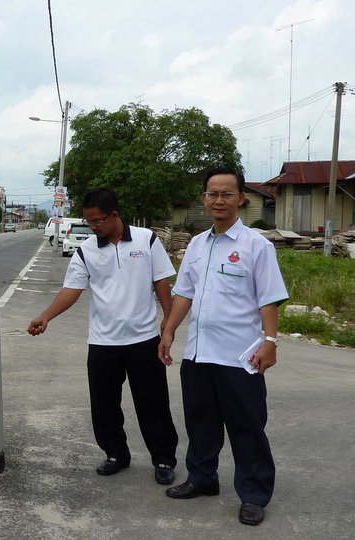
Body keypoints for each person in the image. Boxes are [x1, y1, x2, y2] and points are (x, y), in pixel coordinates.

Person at [158, 167, 289, 526]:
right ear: (204, 198)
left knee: (247, 426)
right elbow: (185, 293)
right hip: (199, 354)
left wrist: (271, 342)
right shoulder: (197, 245)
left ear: (241, 199)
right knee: (201, 423)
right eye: (212, 193)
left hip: (238, 356)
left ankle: (254, 494)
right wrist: (169, 331)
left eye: (227, 194)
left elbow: (270, 299)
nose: (218, 200)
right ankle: (202, 478)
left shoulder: (256, 246)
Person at [28, 187, 179, 484]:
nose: (93, 227)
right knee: (104, 404)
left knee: (153, 403)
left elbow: (161, 282)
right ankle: (115, 454)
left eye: (97, 221)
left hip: (143, 339)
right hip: (103, 342)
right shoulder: (86, 251)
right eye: (89, 221)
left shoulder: (146, 240)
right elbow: (72, 290)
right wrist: (45, 316)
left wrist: (168, 324)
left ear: (114, 215)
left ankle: (163, 459)